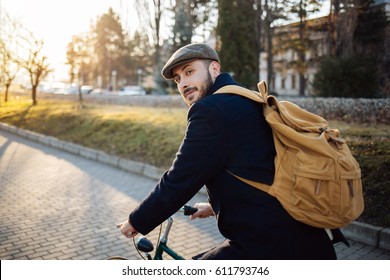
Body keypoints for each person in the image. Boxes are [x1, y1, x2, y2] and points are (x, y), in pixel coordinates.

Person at [119, 43, 346, 259]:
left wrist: (137, 221)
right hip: (305, 235)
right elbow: (258, 166)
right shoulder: (246, 99)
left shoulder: (210, 110)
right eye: (178, 79)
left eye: (189, 72)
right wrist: (213, 207)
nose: (183, 83)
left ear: (214, 68)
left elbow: (181, 178)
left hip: (270, 245)